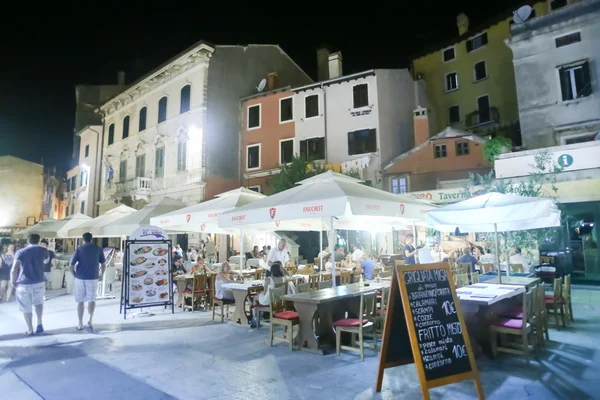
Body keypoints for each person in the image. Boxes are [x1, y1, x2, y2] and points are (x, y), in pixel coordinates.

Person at [10, 234, 48, 335]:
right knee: (39, 303)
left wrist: (13, 281)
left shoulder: (21, 252)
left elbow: (14, 269)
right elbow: (46, 261)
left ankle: (30, 329)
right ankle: (39, 323)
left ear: (28, 241)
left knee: (26, 307)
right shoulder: (43, 250)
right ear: (39, 241)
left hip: (24, 283)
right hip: (39, 282)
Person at [69, 232, 106, 332]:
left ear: (83, 239)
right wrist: (101, 274)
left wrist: (74, 276)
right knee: (91, 299)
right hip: (93, 277)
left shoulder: (79, 249)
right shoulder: (98, 249)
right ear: (92, 239)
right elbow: (103, 264)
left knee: (80, 301)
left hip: (80, 278)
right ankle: (89, 320)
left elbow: (71, 266)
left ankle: (80, 323)